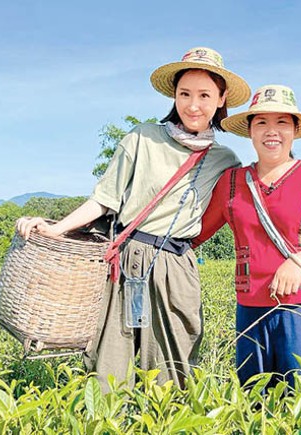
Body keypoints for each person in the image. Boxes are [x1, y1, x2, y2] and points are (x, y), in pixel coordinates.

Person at [16, 47, 250, 390]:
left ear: (221, 98)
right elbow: (104, 198)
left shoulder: (225, 159)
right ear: (174, 95)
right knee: (111, 362)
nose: (193, 105)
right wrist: (56, 228)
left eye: (204, 95)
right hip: (126, 259)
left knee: (174, 366)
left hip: (176, 265)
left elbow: (227, 213)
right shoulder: (143, 137)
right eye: (185, 94)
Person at [192, 84, 301, 388]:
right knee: (256, 406)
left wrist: (299, 262)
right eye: (262, 123)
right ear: (250, 132)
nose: (272, 131)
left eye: (282, 122)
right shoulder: (232, 181)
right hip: (251, 310)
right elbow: (196, 232)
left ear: (294, 130)